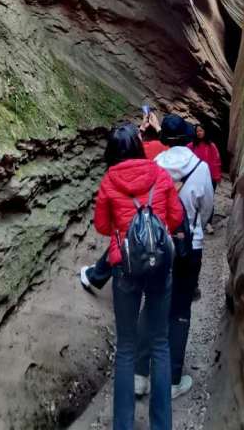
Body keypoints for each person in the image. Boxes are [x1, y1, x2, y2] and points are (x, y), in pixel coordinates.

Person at [92, 123, 184, 430]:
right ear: (138, 146)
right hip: (159, 266)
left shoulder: (108, 181)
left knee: (127, 349)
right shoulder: (159, 175)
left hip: (125, 268)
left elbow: (102, 226)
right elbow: (175, 217)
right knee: (160, 344)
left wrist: (126, 229)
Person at [135, 114, 214, 401]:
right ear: (188, 138)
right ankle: (171, 381)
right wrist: (194, 228)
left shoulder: (154, 166)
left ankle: (139, 377)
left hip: (157, 244)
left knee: (152, 305)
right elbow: (206, 209)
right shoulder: (201, 168)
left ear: (165, 139)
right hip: (188, 247)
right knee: (180, 310)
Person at [80, 110, 168, 293]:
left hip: (126, 226)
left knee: (122, 243)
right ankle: (96, 276)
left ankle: (95, 277)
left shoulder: (111, 179)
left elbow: (102, 225)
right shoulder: (158, 158)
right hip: (153, 217)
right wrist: (156, 129)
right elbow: (170, 151)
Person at [188, 122, 222, 235]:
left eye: (201, 131)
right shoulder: (191, 146)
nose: (199, 133)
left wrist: (217, 176)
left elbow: (216, 161)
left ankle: (208, 223)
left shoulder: (211, 146)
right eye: (197, 131)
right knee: (196, 199)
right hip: (195, 177)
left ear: (205, 132)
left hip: (210, 177)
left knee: (209, 200)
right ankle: (196, 222)